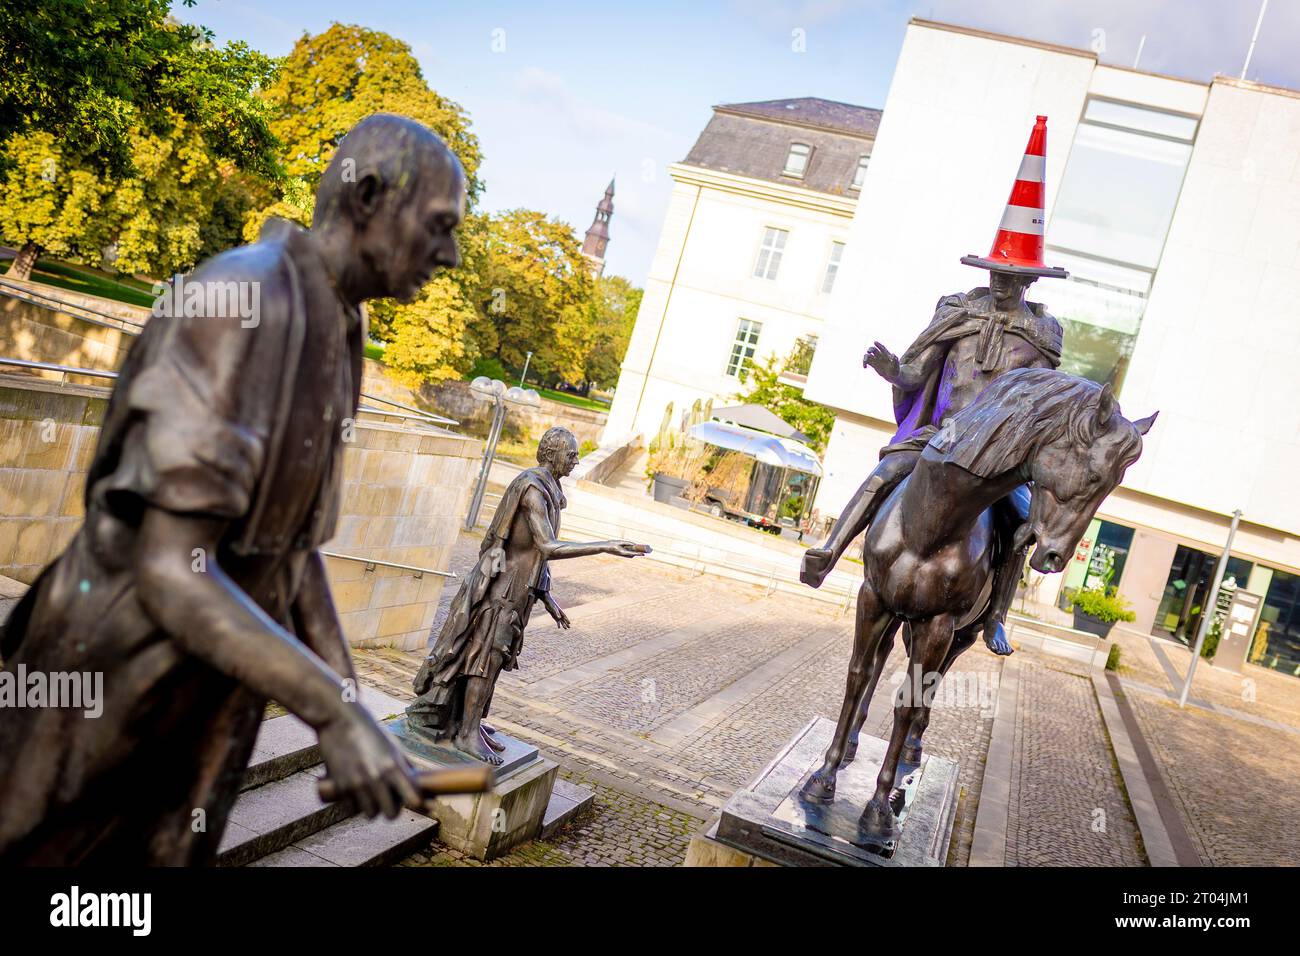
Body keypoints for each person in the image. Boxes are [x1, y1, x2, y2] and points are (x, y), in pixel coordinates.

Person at [0, 114, 466, 865]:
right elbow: (166, 568)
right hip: (103, 690)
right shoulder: (240, 297)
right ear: (369, 196)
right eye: (440, 227)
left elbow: (292, 556)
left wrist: (349, 711)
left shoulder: (341, 325)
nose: (449, 255)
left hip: (202, 707)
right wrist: (328, 709)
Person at [800, 268, 1063, 655]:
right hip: (941, 436)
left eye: (1008, 276)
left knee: (1021, 524)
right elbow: (916, 373)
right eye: (994, 272)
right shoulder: (958, 313)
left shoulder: (1039, 337)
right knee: (886, 472)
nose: (998, 281)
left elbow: (1035, 403)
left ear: (1028, 282)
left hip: (993, 455)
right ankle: (830, 551)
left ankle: (996, 617)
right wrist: (893, 370)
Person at [409, 427, 649, 763]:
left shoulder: (551, 489)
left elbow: (534, 555)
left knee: (494, 660)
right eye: (572, 454)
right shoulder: (533, 489)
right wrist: (606, 545)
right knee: (484, 659)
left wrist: (548, 600)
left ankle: (470, 723)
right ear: (552, 454)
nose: (576, 460)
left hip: (520, 589)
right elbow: (548, 546)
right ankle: (464, 734)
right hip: (502, 588)